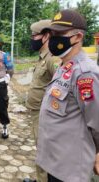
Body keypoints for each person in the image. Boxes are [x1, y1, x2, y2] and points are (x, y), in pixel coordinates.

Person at [36, 9, 99, 182]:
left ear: (78, 37)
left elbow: (97, 120)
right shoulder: (65, 65)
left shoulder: (85, 73)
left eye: (58, 34)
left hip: (70, 169)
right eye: (51, 33)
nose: (52, 38)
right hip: (55, 161)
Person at [24, 20, 61, 182]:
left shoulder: (53, 59)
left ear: (46, 36)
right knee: (41, 150)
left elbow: (64, 88)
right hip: (37, 113)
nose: (32, 38)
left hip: (45, 115)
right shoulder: (43, 57)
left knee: (45, 152)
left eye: (34, 35)